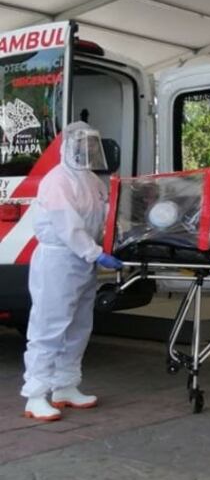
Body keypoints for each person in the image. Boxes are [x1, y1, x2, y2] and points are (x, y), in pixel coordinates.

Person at [21, 122, 123, 421]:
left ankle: (65, 385)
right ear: (67, 146)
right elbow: (68, 226)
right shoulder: (57, 180)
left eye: (92, 146)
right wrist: (95, 253)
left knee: (79, 325)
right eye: (82, 145)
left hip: (84, 260)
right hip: (59, 260)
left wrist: (114, 241)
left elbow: (105, 215)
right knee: (49, 328)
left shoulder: (92, 180)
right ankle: (36, 394)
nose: (88, 151)